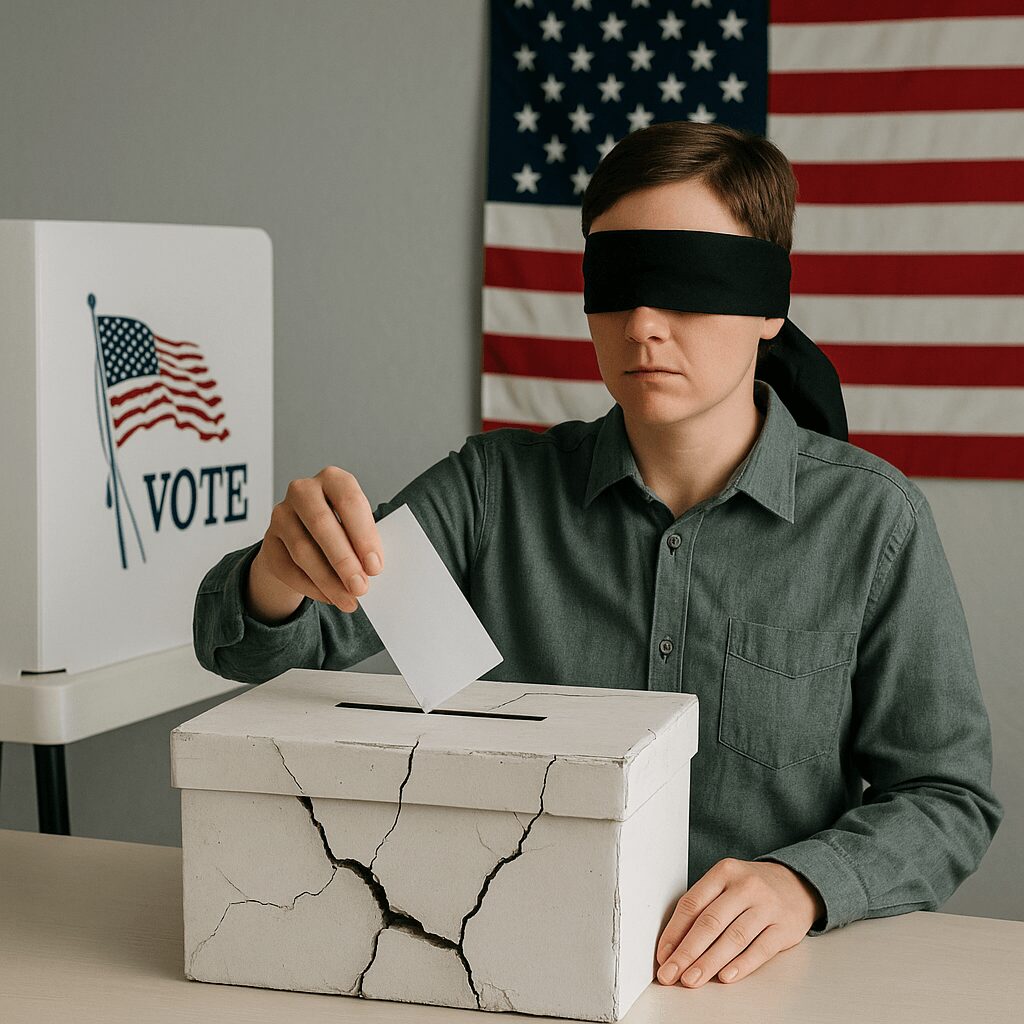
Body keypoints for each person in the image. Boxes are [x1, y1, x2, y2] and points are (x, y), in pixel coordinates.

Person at [193, 121, 1002, 990]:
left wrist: (805, 884)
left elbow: (948, 797)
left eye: (688, 281)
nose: (644, 324)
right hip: (509, 967)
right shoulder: (490, 492)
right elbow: (249, 645)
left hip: (755, 990)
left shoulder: (874, 525)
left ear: (770, 305)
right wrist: (281, 572)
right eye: (616, 284)